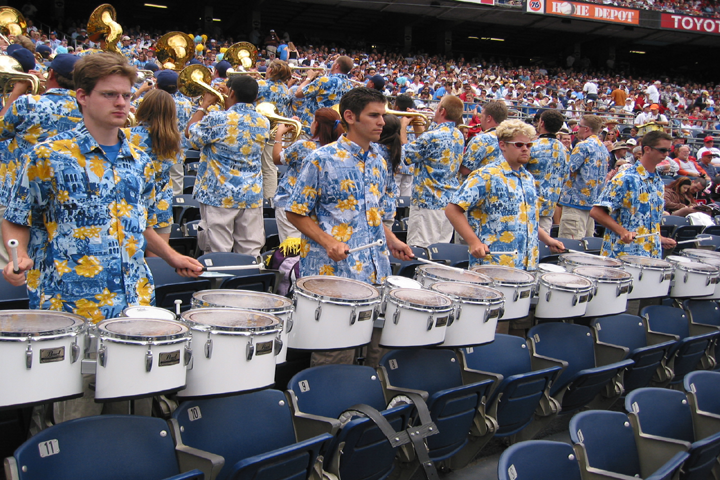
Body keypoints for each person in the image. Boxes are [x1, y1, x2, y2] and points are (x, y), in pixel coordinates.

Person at [2, 52, 203, 320]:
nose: (121, 103)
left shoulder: (140, 161)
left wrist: (171, 256)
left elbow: (139, 224)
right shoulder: (48, 155)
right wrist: (21, 256)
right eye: (109, 94)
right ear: (83, 96)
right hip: (68, 304)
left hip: (134, 303)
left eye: (127, 96)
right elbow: (18, 216)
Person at [285, 87, 413, 366]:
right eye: (374, 115)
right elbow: (295, 213)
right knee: (335, 352)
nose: (382, 122)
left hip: (375, 271)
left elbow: (371, 214)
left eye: (383, 115)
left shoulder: (380, 159)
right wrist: (329, 242)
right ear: (350, 117)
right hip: (335, 275)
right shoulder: (321, 158)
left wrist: (391, 240)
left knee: (377, 349)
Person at [0, 54, 81, 269]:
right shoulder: (88, 107)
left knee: (11, 264)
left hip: (17, 195)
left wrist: (16, 93)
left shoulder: (26, 103)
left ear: (51, 74)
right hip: (66, 198)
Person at [187, 75, 270, 257]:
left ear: (231, 92)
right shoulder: (264, 121)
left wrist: (204, 105)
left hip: (219, 195)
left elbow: (191, 134)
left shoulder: (217, 118)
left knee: (218, 253)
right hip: (251, 195)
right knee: (250, 252)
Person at [590, 130, 677, 258]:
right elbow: (596, 212)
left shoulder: (658, 181)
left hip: (651, 256)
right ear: (647, 149)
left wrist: (659, 238)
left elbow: (650, 219)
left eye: (669, 150)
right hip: (624, 254)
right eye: (663, 150)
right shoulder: (626, 178)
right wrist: (622, 231)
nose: (666, 154)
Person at [400, 95, 464, 247]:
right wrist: (417, 123)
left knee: (420, 250)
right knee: (440, 253)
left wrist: (402, 126)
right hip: (448, 203)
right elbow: (425, 149)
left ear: (442, 111)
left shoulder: (432, 136)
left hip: (427, 202)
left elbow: (406, 155)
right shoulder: (458, 135)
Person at [272, 107, 344, 244]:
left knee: (292, 250)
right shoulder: (340, 149)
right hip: (322, 208)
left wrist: (279, 135)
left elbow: (277, 158)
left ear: (316, 124)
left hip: (291, 202)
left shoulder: (303, 146)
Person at [127, 89, 182, 247]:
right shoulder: (175, 140)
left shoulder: (126, 135)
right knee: (157, 259)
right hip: (161, 201)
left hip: (132, 198)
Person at [558, 114, 610, 239]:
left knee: (570, 247)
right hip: (591, 207)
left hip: (575, 204)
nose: (577, 129)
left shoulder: (582, 146)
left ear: (586, 128)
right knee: (585, 248)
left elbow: (567, 170)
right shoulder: (603, 148)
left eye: (579, 126)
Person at [525, 109, 569, 232]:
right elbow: (566, 177)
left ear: (542, 123)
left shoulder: (531, 147)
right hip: (549, 207)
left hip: (528, 206)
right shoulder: (564, 150)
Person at [256, 59, 293, 199]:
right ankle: (268, 199)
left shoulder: (261, 85)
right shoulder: (285, 89)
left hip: (258, 128)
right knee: (269, 166)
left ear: (270, 70)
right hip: (275, 130)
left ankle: (267, 199)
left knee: (265, 167)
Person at [294, 55, 354, 135]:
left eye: (334, 63)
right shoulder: (350, 85)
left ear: (337, 65)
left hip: (312, 128)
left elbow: (298, 93)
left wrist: (309, 78)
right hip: (331, 131)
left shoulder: (324, 80)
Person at [459, 100, 508, 175]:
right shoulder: (511, 138)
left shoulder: (481, 140)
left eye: (482, 116)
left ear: (489, 118)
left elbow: (465, 170)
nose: (480, 120)